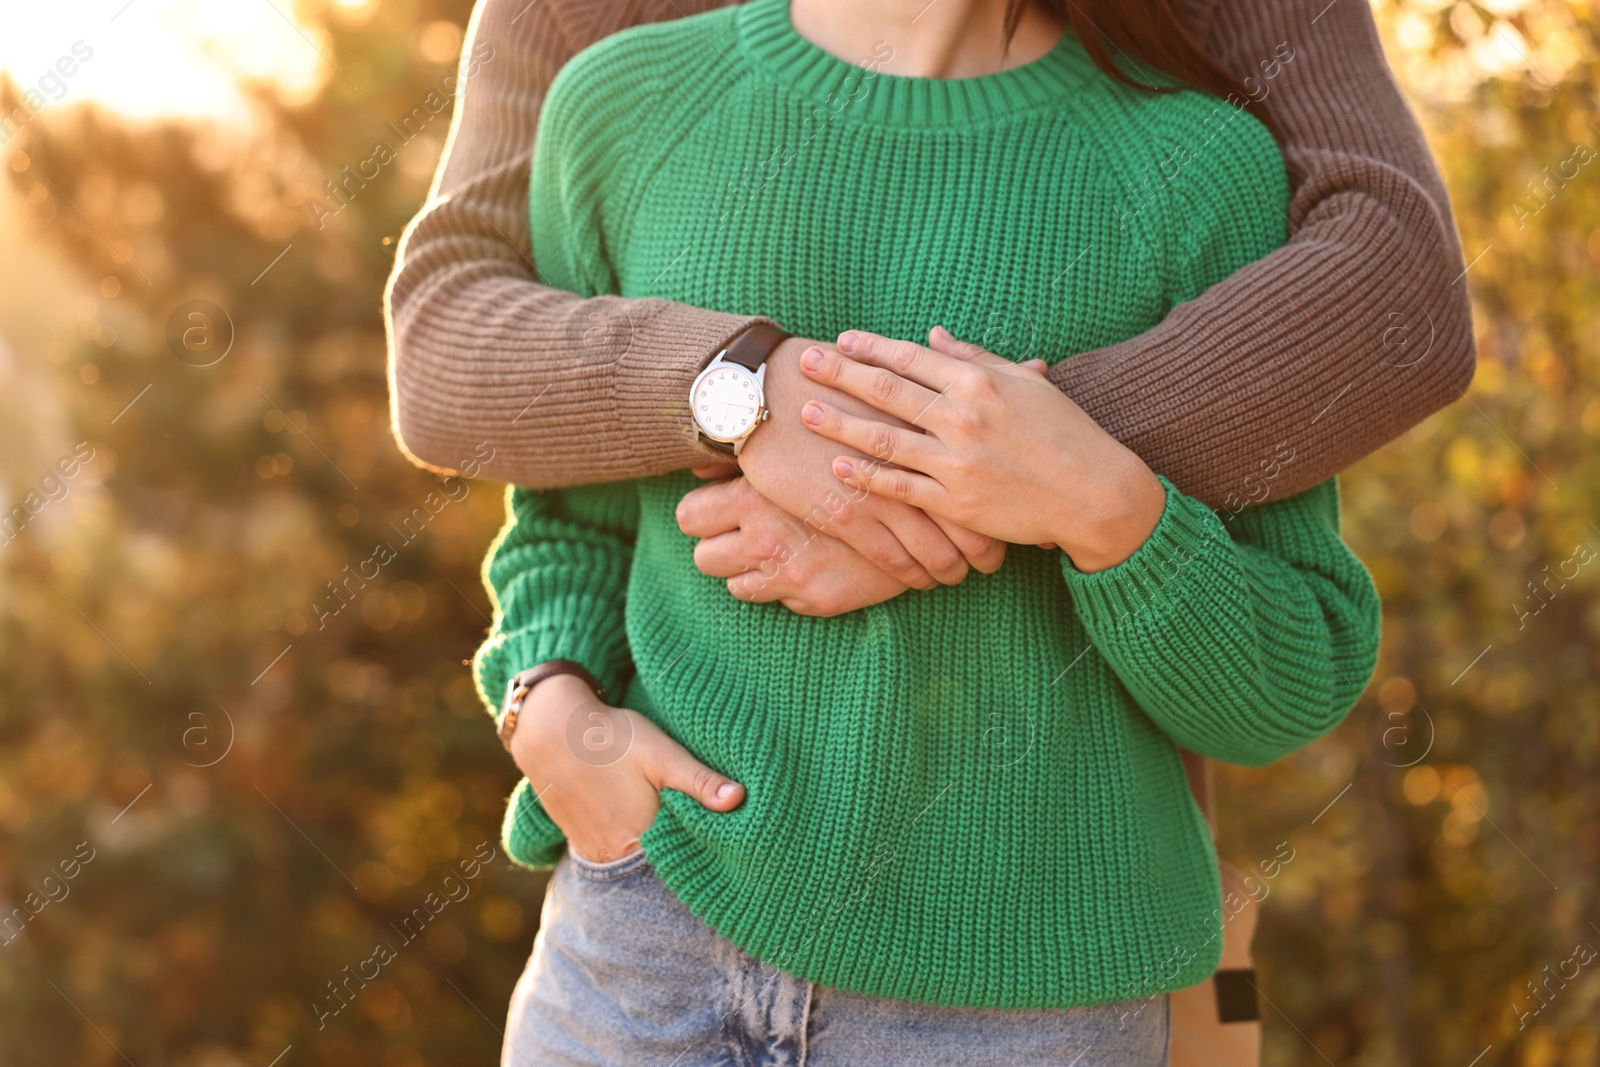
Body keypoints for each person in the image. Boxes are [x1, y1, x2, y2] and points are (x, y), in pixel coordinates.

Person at [396, 0, 1403, 1056]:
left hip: (1026, 1002)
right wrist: (549, 703)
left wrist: (1105, 510)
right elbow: (568, 520)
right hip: (639, 942)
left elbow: (1289, 679)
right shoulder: (624, 103)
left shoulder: (1199, 165)